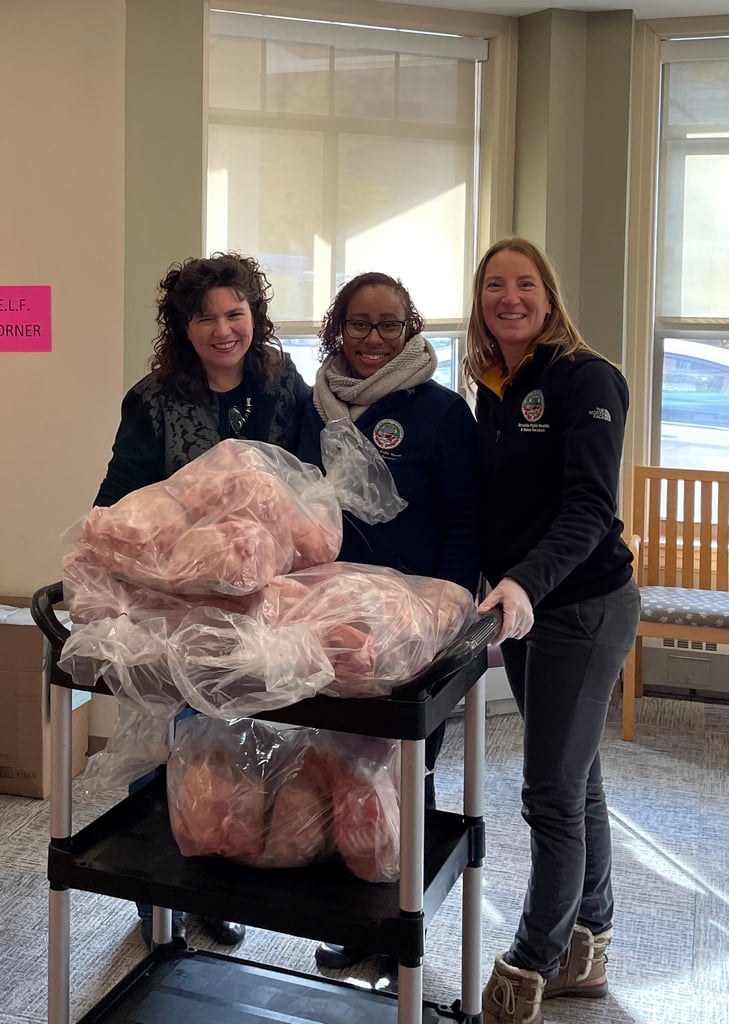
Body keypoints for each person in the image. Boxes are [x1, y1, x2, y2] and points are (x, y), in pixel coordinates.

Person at [94, 252, 310, 950]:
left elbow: (309, 484)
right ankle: (156, 901)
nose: (223, 330)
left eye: (235, 313)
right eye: (205, 318)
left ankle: (213, 890)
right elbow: (118, 502)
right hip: (173, 606)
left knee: (236, 755)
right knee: (165, 749)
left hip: (256, 607)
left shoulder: (283, 385)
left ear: (255, 315)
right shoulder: (153, 398)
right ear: (181, 328)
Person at [464, 237, 641, 1024]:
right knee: (576, 778)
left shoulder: (585, 378)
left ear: (549, 293)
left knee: (548, 793)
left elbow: (587, 508)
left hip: (584, 606)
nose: (510, 297)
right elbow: (498, 506)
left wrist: (521, 583)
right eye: (494, 285)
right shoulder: (494, 386)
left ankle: (532, 958)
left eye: (524, 283)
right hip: (529, 608)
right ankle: (586, 944)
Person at [296, 270, 481, 974]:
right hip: (329, 619)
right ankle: (352, 918)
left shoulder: (440, 412)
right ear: (335, 329)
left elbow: (465, 523)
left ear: (410, 329)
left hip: (412, 624)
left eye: (389, 324)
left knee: (403, 769)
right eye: (359, 324)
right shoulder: (311, 407)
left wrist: (444, 615)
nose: (373, 339)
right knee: (337, 765)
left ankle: (395, 923)